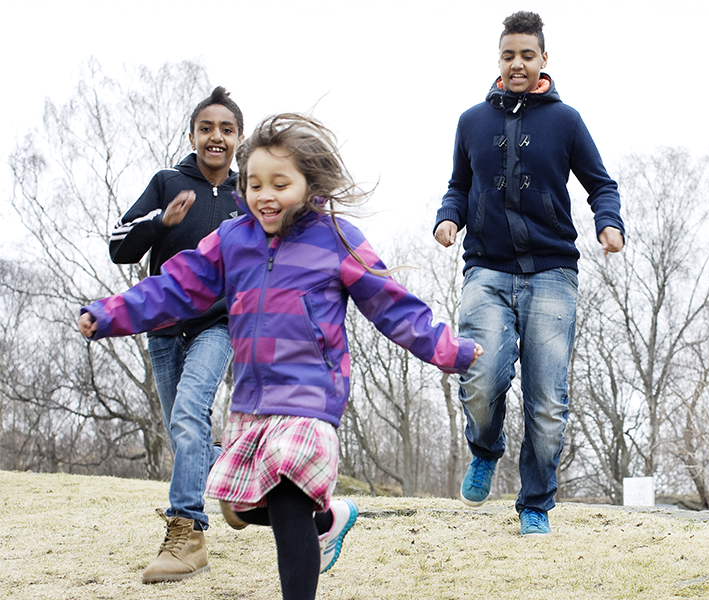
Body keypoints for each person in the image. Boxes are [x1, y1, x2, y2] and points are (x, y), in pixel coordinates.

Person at [80, 113, 483, 600]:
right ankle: (329, 519)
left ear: (309, 184)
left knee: (289, 499)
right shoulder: (233, 241)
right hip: (253, 400)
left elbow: (392, 307)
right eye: (253, 184)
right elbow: (175, 287)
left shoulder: (336, 238)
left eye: (279, 183)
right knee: (239, 506)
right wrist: (108, 314)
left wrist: (451, 350)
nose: (264, 195)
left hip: (313, 396)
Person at [433, 11, 625, 536]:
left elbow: (600, 184)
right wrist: (448, 217)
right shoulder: (472, 121)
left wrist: (610, 224)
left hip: (551, 273)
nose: (517, 64)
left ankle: (536, 501)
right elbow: (457, 185)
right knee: (479, 376)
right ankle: (485, 447)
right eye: (508, 55)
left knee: (547, 401)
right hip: (487, 271)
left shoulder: (565, 121)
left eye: (527, 55)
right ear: (498, 59)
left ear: (544, 60)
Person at [108, 86, 244, 583]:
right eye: (207, 128)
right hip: (164, 326)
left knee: (190, 413)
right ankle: (241, 470)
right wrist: (159, 222)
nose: (216, 137)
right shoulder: (167, 183)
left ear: (238, 139)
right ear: (192, 135)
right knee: (184, 432)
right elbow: (118, 245)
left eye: (226, 130)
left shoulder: (245, 194)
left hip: (219, 323)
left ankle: (187, 533)